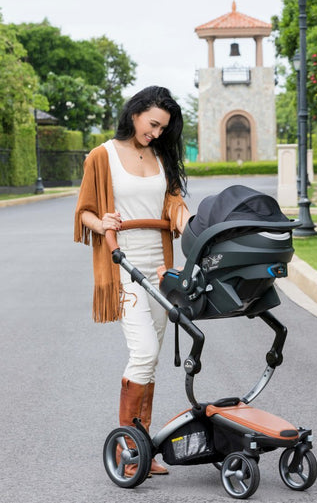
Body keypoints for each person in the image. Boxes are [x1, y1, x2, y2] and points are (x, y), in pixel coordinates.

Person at [74, 86, 190, 477]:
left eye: (163, 129)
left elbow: (173, 200)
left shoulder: (161, 155)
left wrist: (186, 217)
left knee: (151, 360)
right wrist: (101, 221)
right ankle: (127, 450)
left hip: (160, 271)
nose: (156, 133)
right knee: (142, 353)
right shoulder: (101, 156)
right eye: (153, 124)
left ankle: (145, 451)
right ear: (136, 112)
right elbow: (84, 211)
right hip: (123, 267)